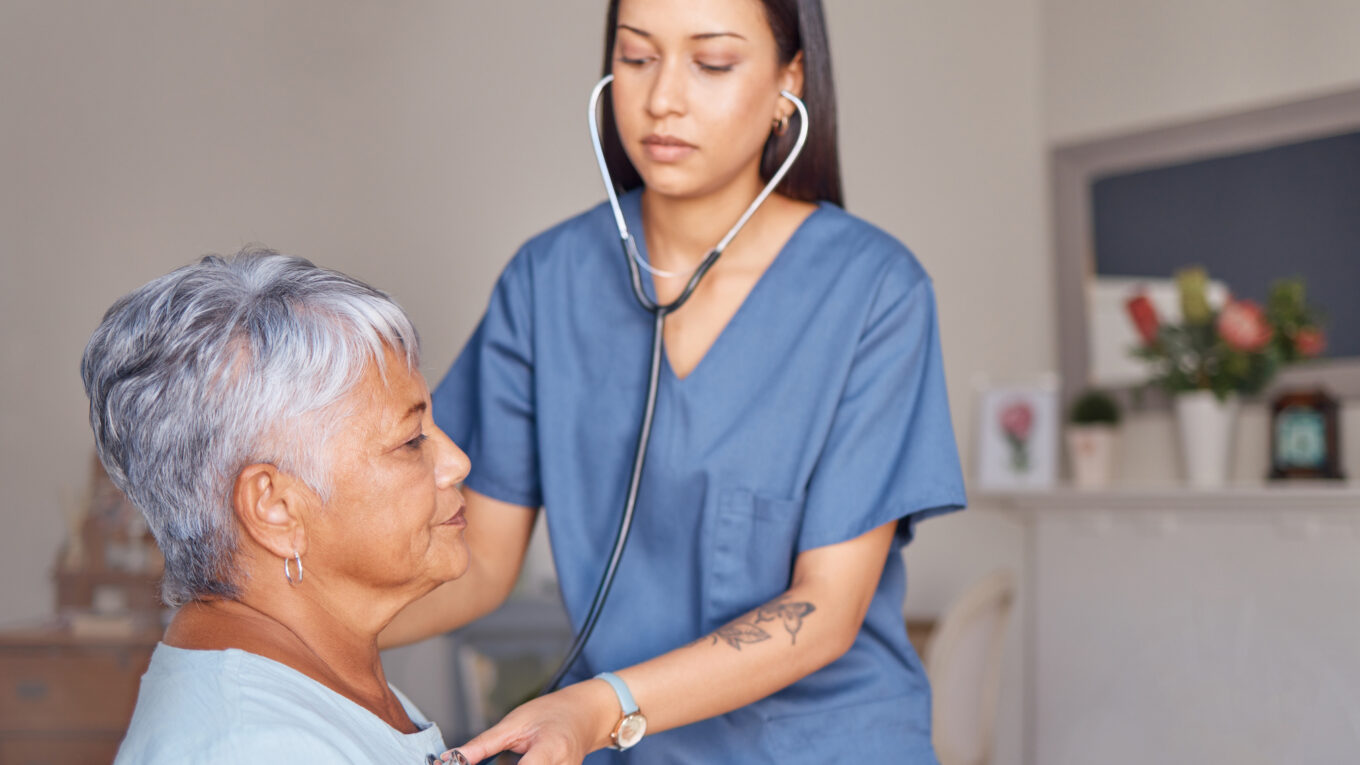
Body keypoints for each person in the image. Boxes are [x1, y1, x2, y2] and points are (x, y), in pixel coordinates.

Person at [384, 0, 967, 762]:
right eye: (636, 56)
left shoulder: (874, 291)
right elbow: (483, 562)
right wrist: (284, 631)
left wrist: (601, 705)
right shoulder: (547, 280)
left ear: (790, 78)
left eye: (713, 62)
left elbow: (826, 605)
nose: (663, 98)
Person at [83, 249, 472, 764]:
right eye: (410, 441)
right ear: (275, 508)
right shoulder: (253, 748)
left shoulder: (320, 682)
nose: (457, 463)